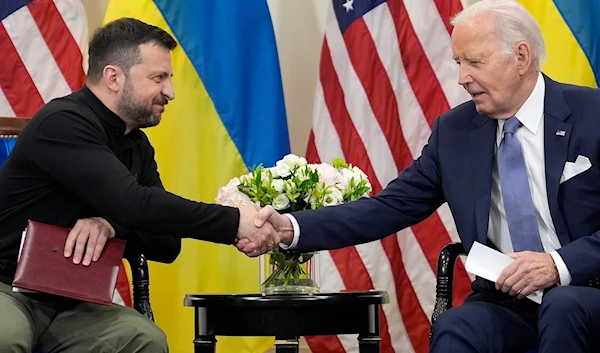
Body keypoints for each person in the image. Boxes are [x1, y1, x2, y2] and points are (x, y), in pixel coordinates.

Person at [252, 1, 600, 352]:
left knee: (563, 307)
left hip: (588, 291)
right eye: (458, 63)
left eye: (475, 62)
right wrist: (291, 228)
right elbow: (388, 207)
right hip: (508, 303)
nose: (462, 77)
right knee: (458, 325)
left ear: (521, 58)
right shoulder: (456, 131)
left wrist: (557, 265)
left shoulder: (592, 115)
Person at [0, 18, 279, 353]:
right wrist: (235, 222)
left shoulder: (137, 145)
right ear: (114, 77)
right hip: (5, 290)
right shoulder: (62, 123)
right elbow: (134, 204)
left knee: (145, 338)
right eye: (158, 77)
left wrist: (109, 224)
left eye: (169, 78)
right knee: (7, 336)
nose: (170, 92)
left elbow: (166, 244)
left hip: (71, 305)